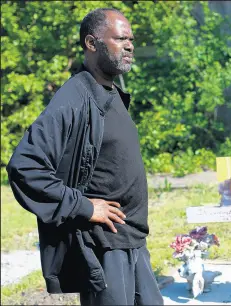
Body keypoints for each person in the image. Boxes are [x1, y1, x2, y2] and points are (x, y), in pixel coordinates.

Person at [6, 8, 164, 305]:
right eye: (120, 38)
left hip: (132, 241)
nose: (130, 45)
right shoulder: (74, 96)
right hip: (103, 248)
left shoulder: (111, 92)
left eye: (131, 39)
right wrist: (83, 206)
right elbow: (24, 166)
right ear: (92, 43)